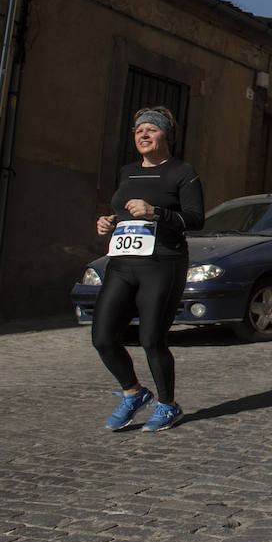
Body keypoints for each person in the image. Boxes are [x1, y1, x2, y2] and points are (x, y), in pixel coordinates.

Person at [91, 106, 204, 432]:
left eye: (150, 130)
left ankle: (168, 405)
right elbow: (124, 214)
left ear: (166, 135)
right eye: (138, 130)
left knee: (151, 338)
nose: (143, 134)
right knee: (102, 337)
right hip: (123, 264)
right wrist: (108, 223)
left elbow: (195, 219)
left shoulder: (183, 172)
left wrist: (156, 213)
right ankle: (134, 393)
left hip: (163, 264)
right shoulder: (127, 172)